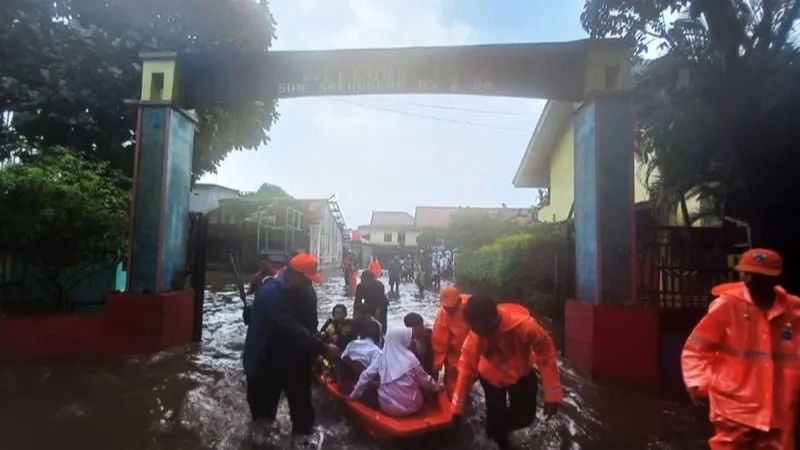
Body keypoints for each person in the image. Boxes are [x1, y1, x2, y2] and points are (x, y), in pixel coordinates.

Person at [682, 248, 800, 450]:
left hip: (779, 411)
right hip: (734, 408)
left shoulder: (794, 311)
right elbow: (697, 348)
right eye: (748, 274)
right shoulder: (728, 305)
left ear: (776, 279)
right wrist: (697, 382)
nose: (751, 280)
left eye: (759, 276)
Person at [242, 252, 341, 447]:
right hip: (265, 359)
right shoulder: (270, 291)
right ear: (293, 274)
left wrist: (314, 352)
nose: (309, 284)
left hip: (295, 358)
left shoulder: (307, 291)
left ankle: (301, 440)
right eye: (306, 280)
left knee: (303, 412)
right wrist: (322, 347)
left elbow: (309, 324)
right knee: (263, 414)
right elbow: (288, 326)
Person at [451, 295, 563, 450]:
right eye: (472, 328)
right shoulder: (475, 337)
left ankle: (499, 427)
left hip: (522, 374)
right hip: (491, 378)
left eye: (477, 328)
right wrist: (456, 410)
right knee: (496, 426)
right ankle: (497, 433)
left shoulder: (526, 327)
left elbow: (546, 354)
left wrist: (553, 395)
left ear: (491, 319)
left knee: (525, 418)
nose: (474, 332)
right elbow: (465, 369)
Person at [350, 327, 444, 417]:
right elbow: (425, 381)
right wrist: (438, 387)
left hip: (387, 407)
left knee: (377, 387)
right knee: (418, 384)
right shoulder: (411, 359)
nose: (411, 341)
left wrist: (354, 394)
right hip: (412, 406)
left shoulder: (381, 358)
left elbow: (365, 376)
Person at [431, 287, 471, 397]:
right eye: (445, 307)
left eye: (451, 307)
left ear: (458, 302)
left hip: (471, 348)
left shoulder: (470, 306)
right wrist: (437, 365)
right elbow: (439, 342)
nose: (448, 310)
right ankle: (453, 401)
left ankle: (465, 397)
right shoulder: (442, 314)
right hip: (454, 351)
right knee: (452, 377)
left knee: (469, 377)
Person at [337, 319, 383, 395]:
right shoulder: (377, 351)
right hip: (360, 388)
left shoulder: (352, 343)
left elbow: (342, 358)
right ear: (378, 335)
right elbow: (370, 373)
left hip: (343, 383)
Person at [354, 270, 389, 336]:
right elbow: (357, 301)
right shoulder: (360, 287)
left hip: (382, 305)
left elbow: (380, 302)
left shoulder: (379, 285)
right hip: (368, 304)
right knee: (366, 322)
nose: (366, 284)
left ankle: (381, 336)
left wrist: (377, 317)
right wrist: (356, 315)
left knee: (380, 323)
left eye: (368, 281)